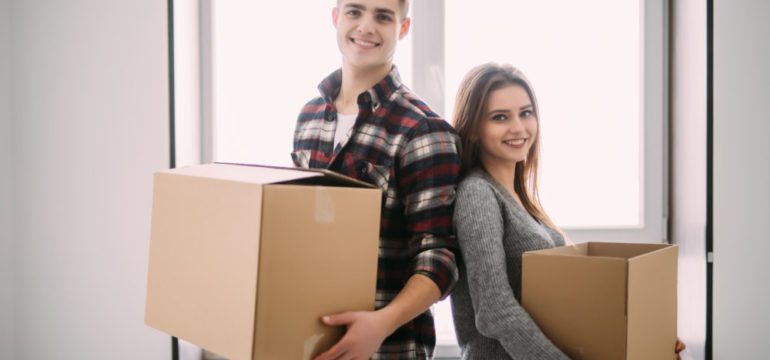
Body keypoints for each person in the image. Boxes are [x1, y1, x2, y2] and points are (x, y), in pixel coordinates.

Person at [449, 63, 687, 360]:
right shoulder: (477, 194)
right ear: (472, 128)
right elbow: (494, 310)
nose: (519, 128)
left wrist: (648, 338)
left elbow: (566, 306)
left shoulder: (522, 199)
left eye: (526, 113)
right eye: (500, 117)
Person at [291, 0, 461, 359]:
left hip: (389, 349)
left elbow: (440, 257)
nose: (366, 26)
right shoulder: (308, 117)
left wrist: (381, 323)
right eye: (355, 11)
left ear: (403, 28)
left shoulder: (423, 130)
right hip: (308, 342)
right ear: (336, 18)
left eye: (383, 16)